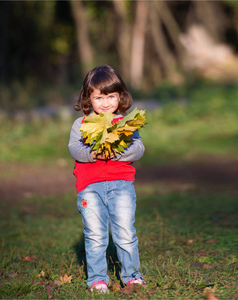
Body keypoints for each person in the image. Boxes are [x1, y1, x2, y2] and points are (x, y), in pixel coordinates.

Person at [68, 65, 146, 293]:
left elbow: (139, 149)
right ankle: (97, 279)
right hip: (89, 187)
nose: (105, 103)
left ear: (120, 97)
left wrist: (117, 152)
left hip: (121, 185)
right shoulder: (81, 124)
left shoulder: (126, 124)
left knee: (125, 232)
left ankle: (132, 276)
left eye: (111, 96)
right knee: (95, 234)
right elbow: (74, 148)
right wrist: (93, 154)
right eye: (99, 97)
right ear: (88, 98)